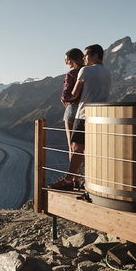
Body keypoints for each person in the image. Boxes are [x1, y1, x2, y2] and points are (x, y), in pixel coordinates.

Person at [50, 43, 112, 190]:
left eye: (86, 55)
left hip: (84, 114)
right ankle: (91, 181)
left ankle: (69, 180)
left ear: (95, 56)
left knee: (77, 148)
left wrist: (66, 98)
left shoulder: (85, 71)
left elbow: (74, 94)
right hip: (101, 115)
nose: (84, 58)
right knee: (93, 150)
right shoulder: (108, 72)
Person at [60, 48, 85, 155]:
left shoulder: (72, 74)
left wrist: (64, 99)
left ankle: (73, 171)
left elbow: (65, 95)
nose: (66, 63)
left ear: (72, 60)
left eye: (67, 60)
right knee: (86, 145)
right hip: (87, 109)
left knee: (72, 146)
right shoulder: (89, 71)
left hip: (73, 108)